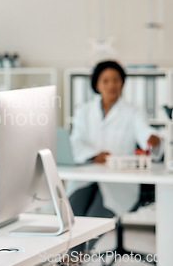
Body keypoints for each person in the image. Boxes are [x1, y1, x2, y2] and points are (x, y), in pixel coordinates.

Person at [68, 60, 162, 253]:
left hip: (118, 182)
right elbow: (75, 142)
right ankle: (70, 259)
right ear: (97, 84)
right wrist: (93, 155)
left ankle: (75, 259)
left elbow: (145, 132)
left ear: (122, 83)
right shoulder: (83, 111)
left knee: (92, 224)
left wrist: (152, 140)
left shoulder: (132, 112)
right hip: (86, 178)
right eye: (106, 80)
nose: (112, 85)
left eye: (116, 80)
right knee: (71, 220)